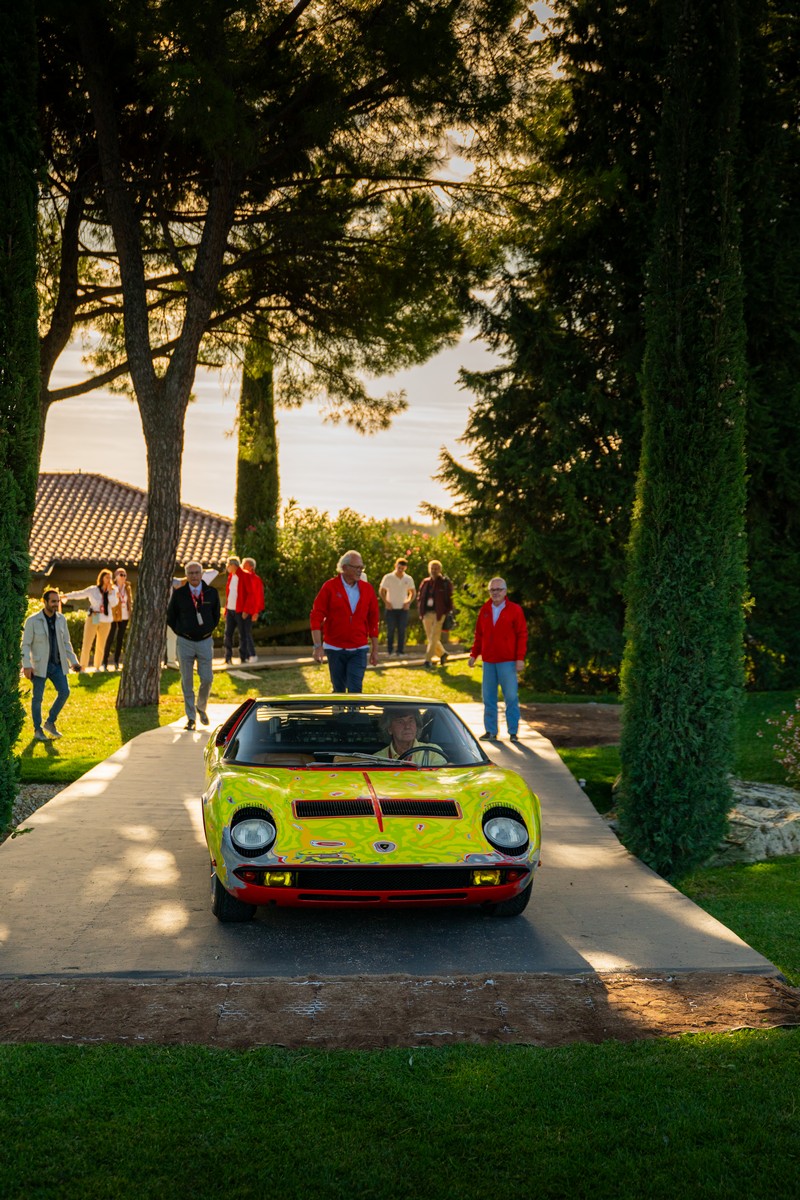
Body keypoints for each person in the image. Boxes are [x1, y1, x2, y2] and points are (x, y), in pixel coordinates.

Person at [310, 550, 379, 693]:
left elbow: (373, 620)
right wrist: (318, 646)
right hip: (335, 648)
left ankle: (354, 716)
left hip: (359, 648)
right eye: (357, 567)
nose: (360, 571)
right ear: (345, 567)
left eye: (362, 567)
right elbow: (316, 616)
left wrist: (375, 649)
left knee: (355, 690)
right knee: (339, 690)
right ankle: (339, 715)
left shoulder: (367, 589)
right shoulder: (329, 587)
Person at [468, 577, 528, 742]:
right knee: (488, 698)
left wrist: (520, 658)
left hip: (507, 661)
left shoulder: (514, 610)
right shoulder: (485, 610)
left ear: (505, 591)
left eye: (499, 589)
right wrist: (474, 655)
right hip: (489, 661)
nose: (496, 593)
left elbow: (522, 634)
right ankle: (491, 731)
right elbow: (479, 635)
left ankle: (513, 732)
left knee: (511, 697)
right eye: (492, 590)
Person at [166, 561, 221, 731]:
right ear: (186, 576)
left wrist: (207, 629)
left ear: (202, 574)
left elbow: (216, 615)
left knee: (207, 678)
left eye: (197, 573)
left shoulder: (211, 593)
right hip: (185, 642)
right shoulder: (180, 594)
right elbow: (171, 616)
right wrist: (182, 632)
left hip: (205, 641)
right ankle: (191, 718)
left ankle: (201, 707)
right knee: (187, 681)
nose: (194, 576)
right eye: (191, 573)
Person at [21, 589, 80, 741]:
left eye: (57, 601)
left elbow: (66, 643)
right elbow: (25, 645)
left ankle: (50, 722)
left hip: (57, 665)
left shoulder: (61, 620)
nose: (56, 604)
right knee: (37, 699)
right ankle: (37, 730)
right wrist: (26, 665)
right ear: (45, 601)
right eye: (53, 601)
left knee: (65, 692)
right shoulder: (32, 621)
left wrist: (74, 662)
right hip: (39, 666)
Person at [63, 570, 118, 671]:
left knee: (101, 644)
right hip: (95, 616)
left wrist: (110, 592)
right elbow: (80, 594)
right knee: (87, 642)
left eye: (110, 578)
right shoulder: (93, 590)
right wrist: (66, 596)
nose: (109, 580)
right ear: (102, 578)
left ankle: (97, 666)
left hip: (106, 619)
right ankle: (83, 667)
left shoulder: (113, 591)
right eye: (107, 577)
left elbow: (114, 603)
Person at [166, 568, 218, 668]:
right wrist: (199, 574)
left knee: (173, 638)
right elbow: (181, 582)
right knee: (172, 637)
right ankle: (171, 661)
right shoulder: (169, 581)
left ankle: (171, 660)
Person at [375, 706, 446, 766]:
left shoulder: (432, 752)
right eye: (400, 722)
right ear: (389, 729)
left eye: (411, 720)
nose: (407, 726)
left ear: (416, 725)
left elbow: (442, 777)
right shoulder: (378, 759)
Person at [417, 559, 454, 669]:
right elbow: (420, 596)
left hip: (439, 614)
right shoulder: (425, 582)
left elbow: (450, 598)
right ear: (429, 569)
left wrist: (446, 611)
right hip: (427, 613)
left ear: (440, 570)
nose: (434, 570)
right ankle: (443, 654)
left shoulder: (445, 583)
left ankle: (428, 660)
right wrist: (421, 610)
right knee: (431, 638)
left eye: (436, 568)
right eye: (432, 568)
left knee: (434, 637)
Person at [379, 558, 416, 656]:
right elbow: (381, 591)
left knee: (401, 630)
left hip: (403, 609)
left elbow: (412, 592)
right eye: (399, 568)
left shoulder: (408, 579)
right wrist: (386, 602)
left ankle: (400, 651)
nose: (400, 570)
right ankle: (390, 650)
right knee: (390, 630)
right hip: (391, 608)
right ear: (396, 566)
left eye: (402, 568)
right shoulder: (388, 577)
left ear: (405, 568)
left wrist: (408, 602)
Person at [103, 568, 133, 671]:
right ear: (115, 576)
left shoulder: (127, 587)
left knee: (120, 639)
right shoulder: (112, 587)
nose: (123, 577)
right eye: (121, 575)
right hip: (114, 616)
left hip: (124, 616)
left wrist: (130, 611)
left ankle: (116, 662)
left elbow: (129, 601)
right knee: (110, 638)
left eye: (125, 575)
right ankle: (105, 662)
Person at [240, 556, 265, 664]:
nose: (242, 566)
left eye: (244, 564)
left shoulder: (254, 579)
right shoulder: (248, 578)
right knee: (244, 633)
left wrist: (255, 611)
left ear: (249, 566)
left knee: (246, 632)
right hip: (243, 609)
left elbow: (258, 596)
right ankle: (245, 655)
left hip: (249, 610)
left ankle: (252, 654)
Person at [223, 555, 247, 665]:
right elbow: (229, 594)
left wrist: (246, 610)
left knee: (242, 634)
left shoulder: (244, 576)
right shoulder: (230, 577)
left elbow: (249, 594)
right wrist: (226, 610)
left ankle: (243, 657)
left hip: (240, 610)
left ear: (233, 565)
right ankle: (228, 657)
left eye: (228, 565)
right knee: (228, 634)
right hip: (230, 610)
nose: (227, 567)